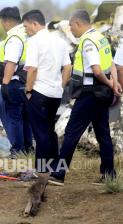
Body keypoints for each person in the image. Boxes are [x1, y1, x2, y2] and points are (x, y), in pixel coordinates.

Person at [50, 10, 121, 185]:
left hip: (90, 95)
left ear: (77, 23)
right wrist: (114, 81)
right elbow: (111, 63)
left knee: (71, 133)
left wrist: (110, 82)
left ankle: (58, 174)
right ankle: (108, 175)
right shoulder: (100, 37)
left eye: (71, 26)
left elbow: (97, 70)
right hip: (102, 94)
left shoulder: (88, 41)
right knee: (103, 134)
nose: (71, 30)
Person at [22, 10, 72, 173]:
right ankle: (54, 167)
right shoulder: (60, 41)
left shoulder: (34, 41)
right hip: (55, 94)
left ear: (35, 24)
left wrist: (28, 90)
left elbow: (32, 69)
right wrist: (61, 86)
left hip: (39, 92)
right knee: (49, 130)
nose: (25, 29)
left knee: (40, 132)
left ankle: (41, 170)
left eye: (26, 26)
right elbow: (68, 67)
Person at [0, 6, 33, 158]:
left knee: (12, 117)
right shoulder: (27, 34)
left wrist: (5, 84)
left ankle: (17, 151)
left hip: (14, 82)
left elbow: (11, 63)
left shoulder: (14, 38)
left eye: (2, 22)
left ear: (6, 21)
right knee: (25, 117)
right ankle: (27, 149)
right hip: (26, 82)